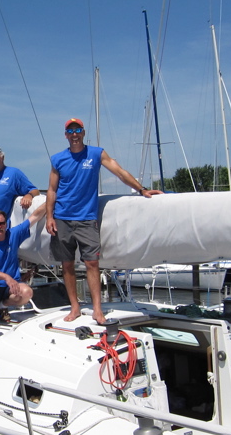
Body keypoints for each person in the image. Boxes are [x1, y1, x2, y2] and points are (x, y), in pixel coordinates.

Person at [46, 118, 163, 324]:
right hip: (62, 218)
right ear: (66, 135)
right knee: (67, 265)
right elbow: (52, 190)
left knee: (92, 263)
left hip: (87, 219)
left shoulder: (96, 154)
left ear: (83, 133)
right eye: (70, 131)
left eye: (78, 130)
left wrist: (141, 189)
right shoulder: (58, 159)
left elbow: (119, 172)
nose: (74, 134)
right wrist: (49, 217)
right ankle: (75, 307)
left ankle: (97, 310)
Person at [0, 205, 46, 310]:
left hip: (11, 286)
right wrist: (6, 277)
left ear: (6, 224)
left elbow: (35, 216)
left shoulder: (14, 234)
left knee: (27, 292)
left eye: (1, 223)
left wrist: (52, 196)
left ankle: (3, 306)